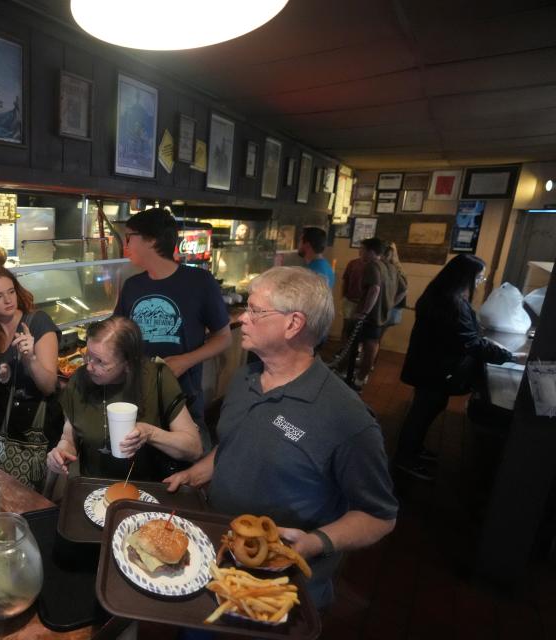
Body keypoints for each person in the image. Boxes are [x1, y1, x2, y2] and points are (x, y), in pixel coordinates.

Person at [163, 267, 398, 609]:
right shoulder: (245, 378)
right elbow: (236, 444)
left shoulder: (346, 419)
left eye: (256, 311)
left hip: (280, 593)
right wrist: (194, 474)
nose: (243, 318)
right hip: (215, 561)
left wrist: (315, 542)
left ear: (293, 324)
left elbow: (380, 516)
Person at [114, 208, 232, 451]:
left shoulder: (199, 282)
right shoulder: (132, 285)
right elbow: (119, 333)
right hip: (139, 399)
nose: (126, 245)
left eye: (129, 237)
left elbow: (224, 337)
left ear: (153, 240)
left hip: (184, 398)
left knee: (183, 472)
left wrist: (184, 361)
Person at [394, 254, 516, 481]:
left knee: (425, 410)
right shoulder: (452, 303)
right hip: (435, 369)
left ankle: (413, 449)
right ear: (465, 278)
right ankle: (405, 458)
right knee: (422, 413)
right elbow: (468, 341)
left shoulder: (439, 294)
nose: (480, 281)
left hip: (430, 366)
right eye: (479, 277)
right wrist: (506, 355)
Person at [46, 316, 201, 481]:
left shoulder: (156, 379)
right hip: (95, 489)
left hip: (148, 488)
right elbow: (69, 437)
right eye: (88, 355)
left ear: (128, 364)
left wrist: (150, 434)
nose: (89, 366)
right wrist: (61, 452)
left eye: (100, 362)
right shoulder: (80, 379)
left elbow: (194, 448)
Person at [0, 266, 63, 490]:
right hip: (2, 434)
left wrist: (30, 359)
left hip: (40, 437)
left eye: (11, 291)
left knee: (36, 505)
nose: (8, 300)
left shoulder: (38, 322)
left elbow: (49, 386)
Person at [352, 237, 392, 388]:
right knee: (372, 345)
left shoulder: (372, 266)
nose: (359, 253)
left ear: (371, 251)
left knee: (369, 346)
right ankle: (362, 376)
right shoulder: (388, 267)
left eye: (361, 250)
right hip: (382, 315)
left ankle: (359, 379)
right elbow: (402, 289)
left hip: (371, 316)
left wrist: (364, 312)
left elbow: (375, 288)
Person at [381, 241, 408, 333]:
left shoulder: (393, 269)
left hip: (390, 306)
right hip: (393, 306)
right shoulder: (398, 268)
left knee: (377, 334)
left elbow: (404, 290)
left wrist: (390, 304)